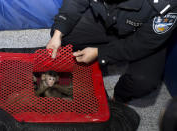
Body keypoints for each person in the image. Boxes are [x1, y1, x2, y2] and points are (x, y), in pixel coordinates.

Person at [46, 0, 177, 103]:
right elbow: (75, 2)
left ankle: (119, 98)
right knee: (64, 34)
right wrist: (58, 34)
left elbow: (142, 44)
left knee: (142, 82)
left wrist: (100, 53)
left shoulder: (166, 5)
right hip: (107, 19)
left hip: (143, 36)